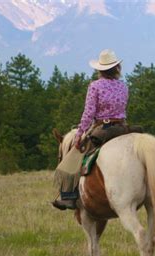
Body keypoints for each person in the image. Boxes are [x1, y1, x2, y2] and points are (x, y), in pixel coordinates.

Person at [52, 49, 129, 210]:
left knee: (73, 157)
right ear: (116, 68)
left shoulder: (95, 86)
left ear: (100, 69)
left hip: (103, 128)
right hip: (122, 128)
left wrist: (79, 135)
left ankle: (68, 197)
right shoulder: (123, 86)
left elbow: (88, 114)